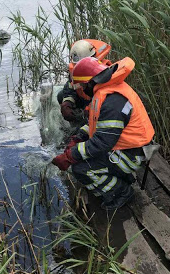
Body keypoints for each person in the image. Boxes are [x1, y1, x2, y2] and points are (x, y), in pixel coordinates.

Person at [51, 56, 155, 210]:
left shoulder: (112, 101)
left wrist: (70, 156)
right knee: (85, 157)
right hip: (126, 147)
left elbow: (102, 142)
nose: (80, 90)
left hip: (132, 153)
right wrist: (79, 137)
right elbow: (96, 124)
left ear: (88, 82)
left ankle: (121, 192)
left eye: (80, 86)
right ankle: (121, 176)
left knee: (80, 169)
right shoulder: (106, 91)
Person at [58, 39, 112, 123]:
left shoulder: (102, 71)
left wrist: (89, 109)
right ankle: (75, 123)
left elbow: (103, 96)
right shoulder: (75, 69)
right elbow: (70, 85)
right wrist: (67, 102)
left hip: (97, 102)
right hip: (83, 99)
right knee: (61, 96)